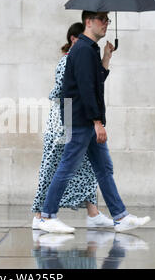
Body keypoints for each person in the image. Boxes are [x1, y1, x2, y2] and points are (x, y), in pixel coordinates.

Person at [38, 11, 151, 233]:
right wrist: (97, 122)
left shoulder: (90, 49)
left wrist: (107, 56)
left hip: (84, 119)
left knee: (104, 168)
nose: (106, 24)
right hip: (81, 119)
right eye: (102, 20)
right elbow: (86, 89)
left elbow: (95, 80)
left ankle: (120, 216)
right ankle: (47, 216)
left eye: (107, 20)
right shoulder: (82, 49)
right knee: (68, 166)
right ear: (88, 22)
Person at [31, 22, 114, 230]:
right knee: (54, 167)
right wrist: (70, 126)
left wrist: (106, 58)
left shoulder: (80, 59)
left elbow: (97, 82)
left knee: (86, 167)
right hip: (63, 120)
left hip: (72, 119)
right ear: (73, 40)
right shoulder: (66, 62)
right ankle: (40, 214)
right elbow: (66, 95)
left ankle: (93, 212)